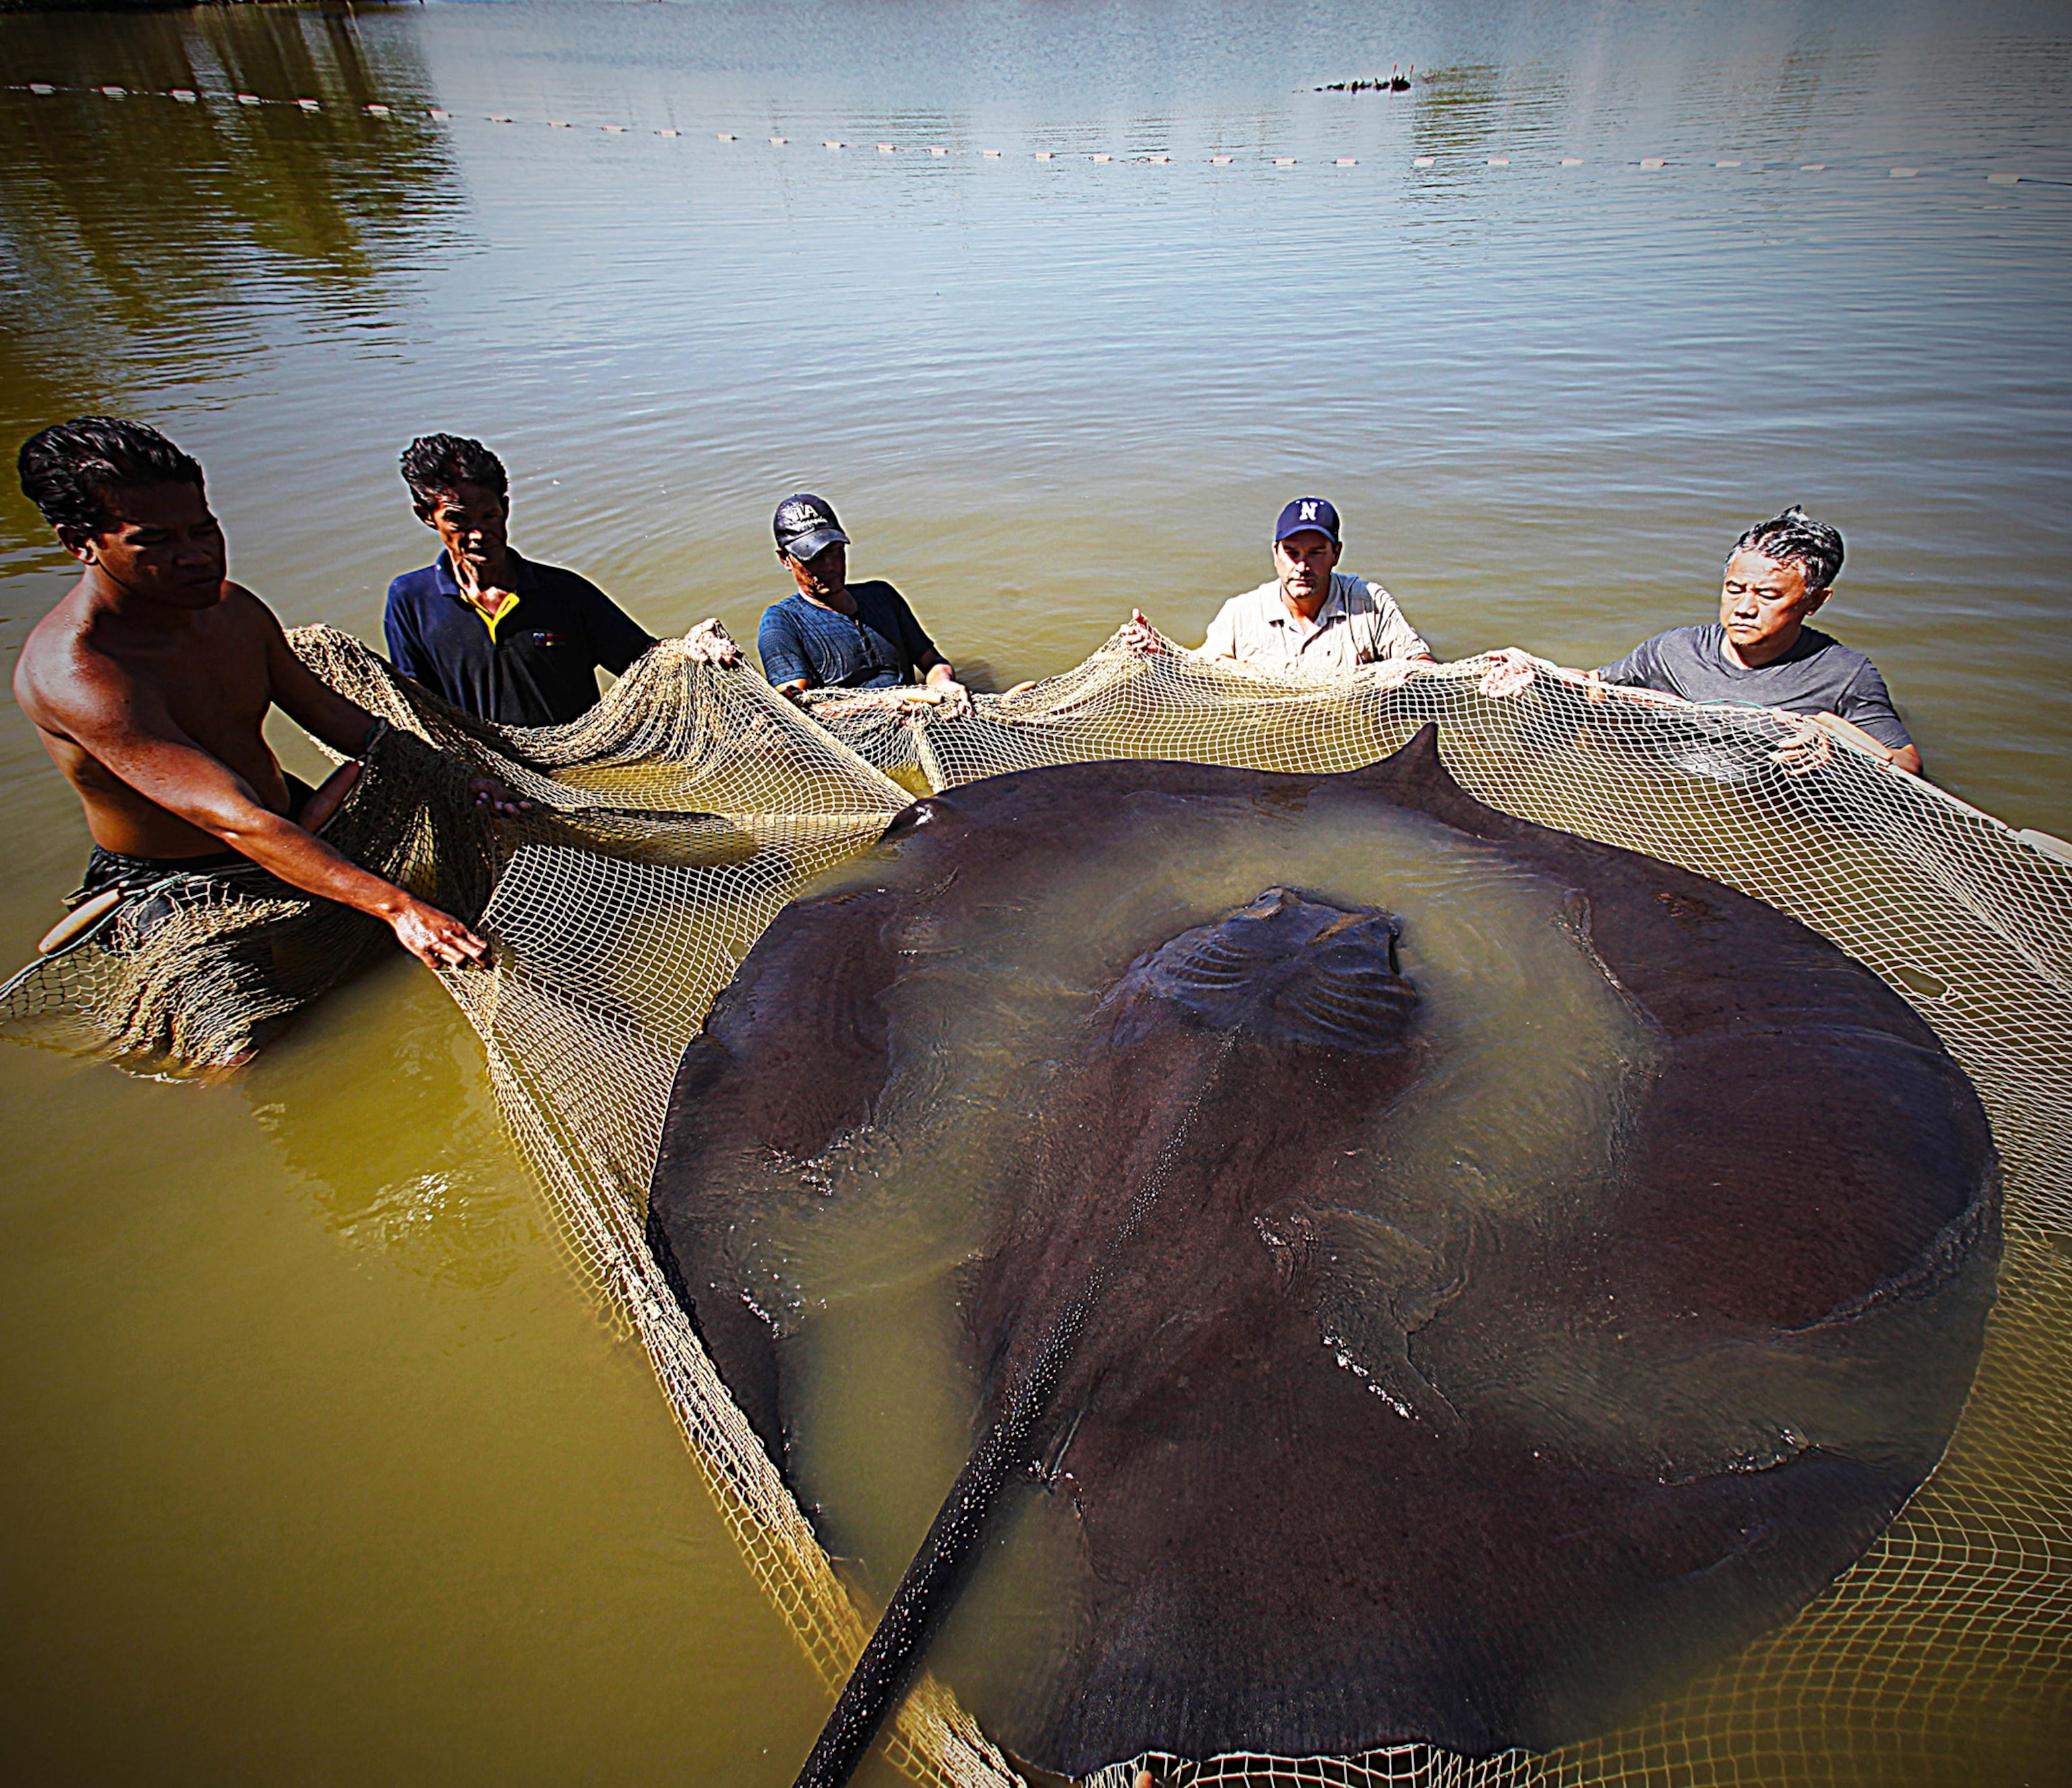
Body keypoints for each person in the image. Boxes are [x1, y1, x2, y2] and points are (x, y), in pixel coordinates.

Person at [14, 417, 516, 972]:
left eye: (203, 531)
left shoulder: (234, 610)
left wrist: (455, 776)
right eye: (155, 541)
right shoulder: (78, 671)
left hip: (301, 821)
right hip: (188, 879)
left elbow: (343, 724)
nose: (196, 556)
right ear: (79, 543)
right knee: (238, 1051)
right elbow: (235, 819)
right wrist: (398, 907)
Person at [1481, 506, 1922, 775]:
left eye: (1768, 595)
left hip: (1761, 808)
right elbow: (1596, 687)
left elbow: (1907, 764)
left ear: (1816, 602)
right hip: (1659, 776)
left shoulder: (1844, 674)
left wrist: (1839, 740)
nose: (1744, 608)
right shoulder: (1675, 649)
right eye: (1734, 589)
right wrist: (1538, 672)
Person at [384, 434, 655, 726]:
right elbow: (416, 704)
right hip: (479, 769)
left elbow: (647, 665)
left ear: (505, 509)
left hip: (580, 764)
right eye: (458, 520)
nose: (477, 535)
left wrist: (691, 649)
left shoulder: (565, 593)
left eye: (488, 516)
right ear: (426, 516)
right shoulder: (409, 601)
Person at [1122, 497, 1433, 684]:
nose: (1302, 566)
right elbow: (1200, 673)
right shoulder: (1240, 613)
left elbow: (1424, 664)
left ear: (1336, 554)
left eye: (1316, 552)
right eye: (1292, 552)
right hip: (1268, 735)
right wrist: (1161, 652)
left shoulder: (1370, 603)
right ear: (1275, 553)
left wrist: (1409, 676)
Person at [757, 493, 966, 708]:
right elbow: (797, 707)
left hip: (917, 716)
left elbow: (932, 663)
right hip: (852, 735)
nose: (828, 565)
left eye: (834, 551)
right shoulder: (781, 623)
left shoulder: (882, 596)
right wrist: (880, 704)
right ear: (785, 560)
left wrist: (942, 683)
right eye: (812, 557)